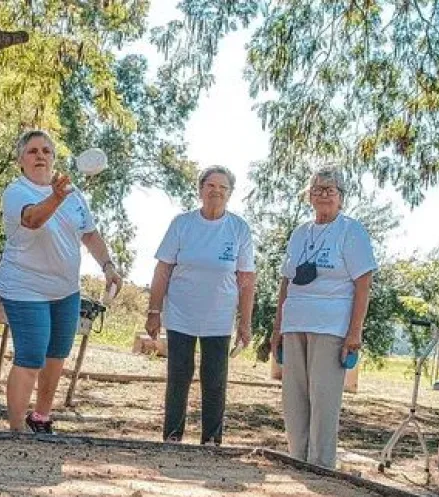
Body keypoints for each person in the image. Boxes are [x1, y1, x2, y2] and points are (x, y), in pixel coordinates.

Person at [0, 130, 122, 434]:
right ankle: (16, 429)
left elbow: (89, 234)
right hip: (25, 287)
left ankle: (40, 418)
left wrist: (107, 265)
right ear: (20, 161)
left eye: (46, 151)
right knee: (31, 355)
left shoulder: (74, 195)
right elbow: (33, 220)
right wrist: (55, 196)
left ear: (54, 157)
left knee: (56, 356)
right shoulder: (17, 192)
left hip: (66, 290)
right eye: (32, 151)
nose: (40, 156)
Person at [271, 166, 376, 468]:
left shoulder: (350, 230)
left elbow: (363, 284)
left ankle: (320, 463)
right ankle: (297, 458)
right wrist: (278, 327)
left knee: (324, 396)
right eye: (317, 189)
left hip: (331, 325)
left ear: (341, 197)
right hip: (295, 322)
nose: (323, 195)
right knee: (294, 397)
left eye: (330, 190)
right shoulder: (300, 233)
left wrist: (354, 332)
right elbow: (285, 282)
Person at [145, 166, 256, 445]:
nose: (216, 192)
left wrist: (245, 322)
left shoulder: (239, 228)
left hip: (219, 317)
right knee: (179, 375)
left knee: (215, 380)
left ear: (230, 193)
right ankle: (172, 436)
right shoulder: (182, 224)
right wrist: (154, 311)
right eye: (210, 186)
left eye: (222, 187)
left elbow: (246, 279)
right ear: (200, 189)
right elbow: (163, 270)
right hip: (181, 313)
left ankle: (211, 439)